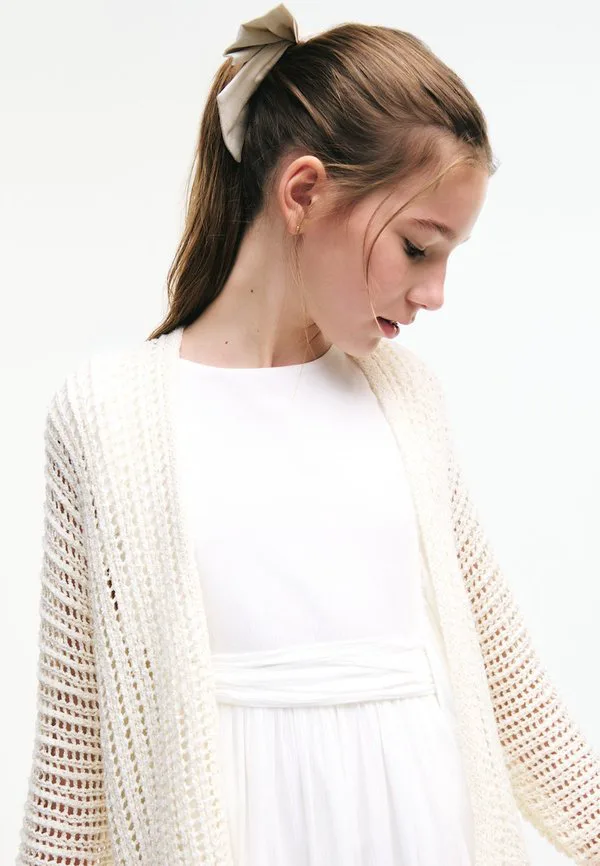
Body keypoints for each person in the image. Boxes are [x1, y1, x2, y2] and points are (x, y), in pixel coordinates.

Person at [16, 5, 600, 865]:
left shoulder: (407, 400)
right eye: (418, 248)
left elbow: (511, 687)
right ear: (303, 193)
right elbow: (73, 773)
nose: (434, 293)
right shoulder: (107, 416)